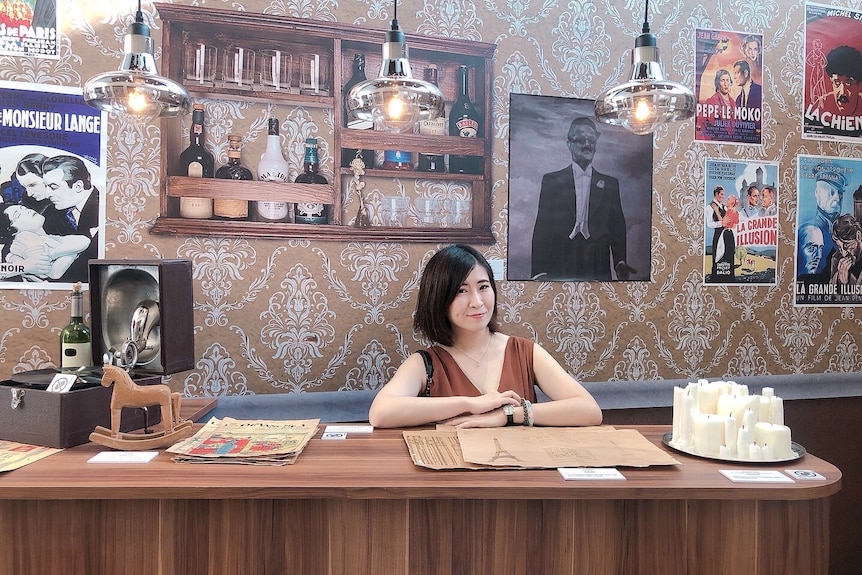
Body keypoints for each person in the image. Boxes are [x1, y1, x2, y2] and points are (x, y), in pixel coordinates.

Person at [368, 244, 603, 429]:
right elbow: (380, 413)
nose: (477, 302)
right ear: (438, 299)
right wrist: (469, 404)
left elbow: (589, 410)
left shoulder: (524, 352)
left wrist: (509, 415)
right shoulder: (425, 364)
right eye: (461, 291)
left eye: (483, 287)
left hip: (519, 481)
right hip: (454, 481)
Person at [530, 117, 635, 281]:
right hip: (560, 258)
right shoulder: (552, 181)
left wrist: (619, 262)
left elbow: (617, 227)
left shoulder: (610, 184)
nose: (587, 144)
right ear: (569, 144)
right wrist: (539, 271)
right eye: (580, 139)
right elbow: (543, 226)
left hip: (598, 259)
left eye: (591, 140)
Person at [40, 154, 101, 282]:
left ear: (78, 186)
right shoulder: (49, 213)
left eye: (53, 187)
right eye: (46, 187)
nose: (47, 194)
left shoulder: (107, 209)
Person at [0, 203, 90, 281]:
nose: (28, 211)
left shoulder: (49, 237)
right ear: (12, 231)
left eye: (24, 208)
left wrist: (52, 255)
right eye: (18, 215)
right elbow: (52, 272)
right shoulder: (24, 239)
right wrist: (70, 251)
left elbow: (84, 240)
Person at [803, 165, 845, 274]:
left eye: (839, 193)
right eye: (831, 192)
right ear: (817, 194)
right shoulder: (807, 232)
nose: (837, 198)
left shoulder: (847, 233)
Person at [808, 45, 862, 130]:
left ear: (859, 85)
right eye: (837, 83)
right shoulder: (819, 106)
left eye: (848, 83)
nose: (842, 92)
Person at [706, 186, 736, 281]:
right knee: (718, 258)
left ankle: (729, 279)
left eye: (724, 194)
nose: (723, 197)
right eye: (721, 194)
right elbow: (709, 224)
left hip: (728, 235)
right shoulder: (709, 207)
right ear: (716, 194)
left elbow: (729, 221)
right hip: (719, 235)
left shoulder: (724, 207)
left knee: (729, 256)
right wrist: (721, 223)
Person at [699, 69, 736, 140]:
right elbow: (704, 127)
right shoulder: (711, 102)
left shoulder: (733, 102)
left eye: (727, 80)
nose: (725, 84)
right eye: (722, 80)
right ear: (717, 83)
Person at [829, 214, 862, 286]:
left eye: (847, 245)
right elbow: (831, 294)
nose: (844, 254)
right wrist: (840, 281)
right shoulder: (836, 259)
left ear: (858, 236)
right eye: (840, 248)